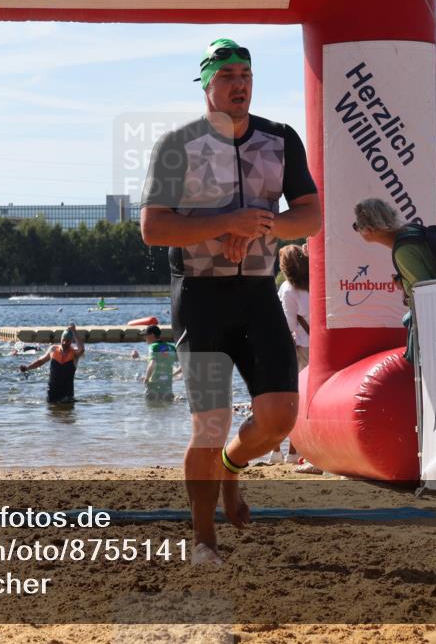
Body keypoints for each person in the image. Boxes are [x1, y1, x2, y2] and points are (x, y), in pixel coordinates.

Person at [140, 38, 321, 564]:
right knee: (210, 424)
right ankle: (204, 540)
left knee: (280, 418)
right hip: (200, 297)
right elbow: (153, 228)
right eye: (226, 76)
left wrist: (259, 225)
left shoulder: (280, 139)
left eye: (245, 74)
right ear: (206, 85)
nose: (239, 84)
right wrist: (226, 223)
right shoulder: (177, 145)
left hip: (257, 292)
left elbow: (310, 215)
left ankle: (231, 469)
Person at [352, 198, 436, 363]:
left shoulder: (403, 250)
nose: (357, 230)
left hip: (434, 329)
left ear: (369, 230)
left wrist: (408, 292)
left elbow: (426, 293)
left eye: (357, 226)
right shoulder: (410, 232)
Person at [271, 244, 314, 469]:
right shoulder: (316, 282)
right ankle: (296, 450)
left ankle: (279, 451)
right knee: (307, 400)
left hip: (300, 348)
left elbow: (287, 326)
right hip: (318, 347)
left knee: (287, 399)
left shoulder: (288, 289)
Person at [20, 325, 85, 404]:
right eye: (63, 340)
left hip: (67, 395)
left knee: (67, 411)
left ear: (71, 341)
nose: (65, 343)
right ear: (61, 339)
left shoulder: (74, 353)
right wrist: (27, 368)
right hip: (52, 392)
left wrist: (74, 331)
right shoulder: (53, 349)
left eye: (68, 341)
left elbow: (82, 349)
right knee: (51, 410)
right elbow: (40, 361)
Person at [143, 325, 178, 402]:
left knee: (151, 407)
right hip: (168, 386)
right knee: (167, 407)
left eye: (145, 335)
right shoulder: (171, 347)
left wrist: (146, 378)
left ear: (152, 335)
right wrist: (173, 375)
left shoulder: (153, 347)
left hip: (154, 385)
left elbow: (153, 363)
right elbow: (184, 364)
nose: (144, 338)